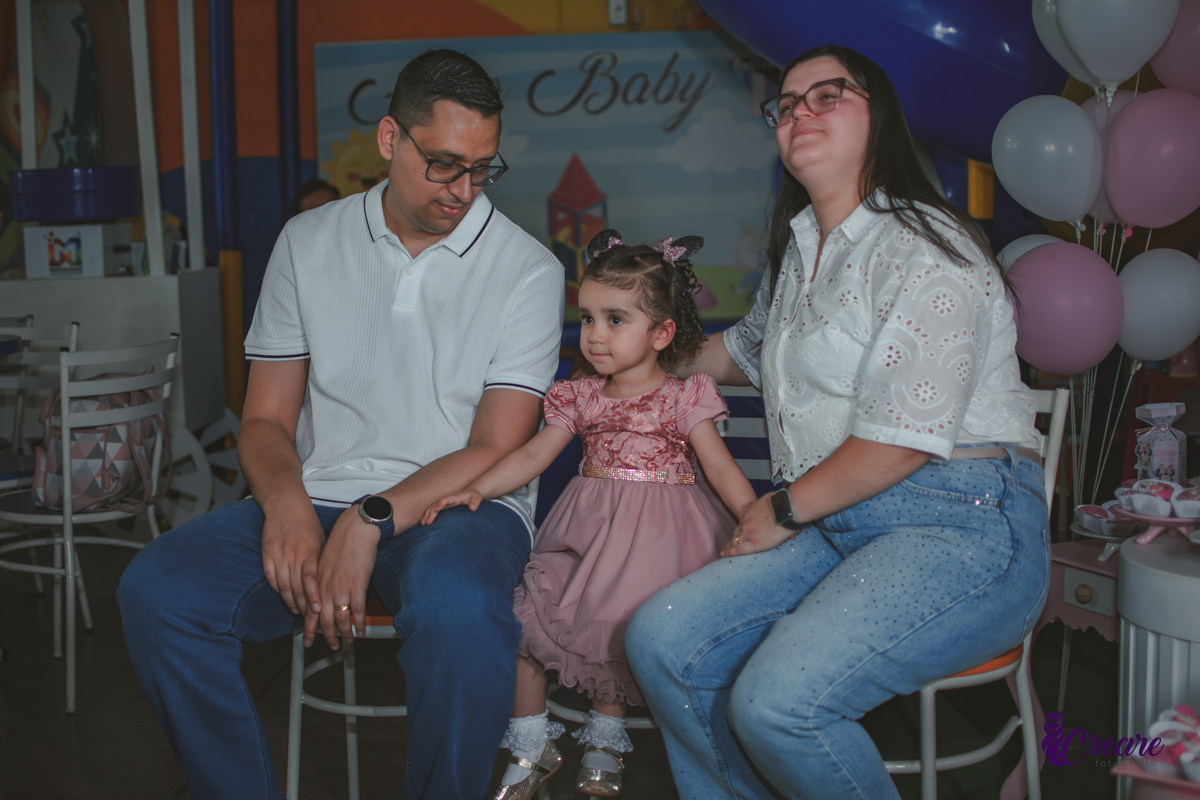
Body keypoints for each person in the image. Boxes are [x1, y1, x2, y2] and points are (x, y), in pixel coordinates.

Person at [116, 49, 565, 800]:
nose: (463, 190)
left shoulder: (528, 268)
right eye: (444, 164)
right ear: (390, 138)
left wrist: (371, 518)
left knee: (459, 611)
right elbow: (265, 418)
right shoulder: (307, 241)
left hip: (465, 507)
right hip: (319, 494)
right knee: (158, 592)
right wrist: (288, 507)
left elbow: (496, 445)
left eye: (482, 169)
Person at [625, 45, 1049, 800]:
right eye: (787, 104)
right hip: (836, 522)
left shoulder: (924, 244)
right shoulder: (802, 252)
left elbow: (900, 441)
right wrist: (639, 353)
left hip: (957, 522)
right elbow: (740, 351)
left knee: (778, 704)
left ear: (878, 116)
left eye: (828, 95)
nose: (801, 114)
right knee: (662, 639)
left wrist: (781, 509)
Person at [424, 231, 756, 799]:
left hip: (664, 536)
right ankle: (531, 744)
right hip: (588, 530)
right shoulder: (580, 396)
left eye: (615, 320)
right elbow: (532, 455)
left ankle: (605, 740)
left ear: (662, 333)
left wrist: (752, 515)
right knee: (528, 618)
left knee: (617, 628)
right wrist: (476, 488)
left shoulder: (684, 396)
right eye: (587, 318)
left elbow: (720, 468)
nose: (595, 334)